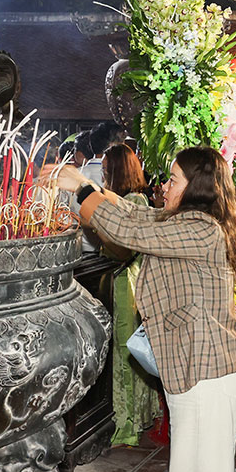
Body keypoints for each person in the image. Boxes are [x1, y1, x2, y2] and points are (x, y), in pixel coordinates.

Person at [50, 147, 236, 472]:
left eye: (173, 181)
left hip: (210, 373)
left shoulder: (202, 228)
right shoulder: (184, 220)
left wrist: (82, 190)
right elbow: (137, 214)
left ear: (197, 187)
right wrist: (95, 188)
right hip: (195, 370)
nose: (164, 188)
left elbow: (130, 230)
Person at [98, 143, 162, 446]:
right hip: (124, 280)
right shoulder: (128, 198)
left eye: (105, 170)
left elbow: (123, 249)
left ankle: (128, 425)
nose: (102, 175)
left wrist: (95, 225)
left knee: (126, 352)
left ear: (116, 171)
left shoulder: (133, 200)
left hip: (126, 282)